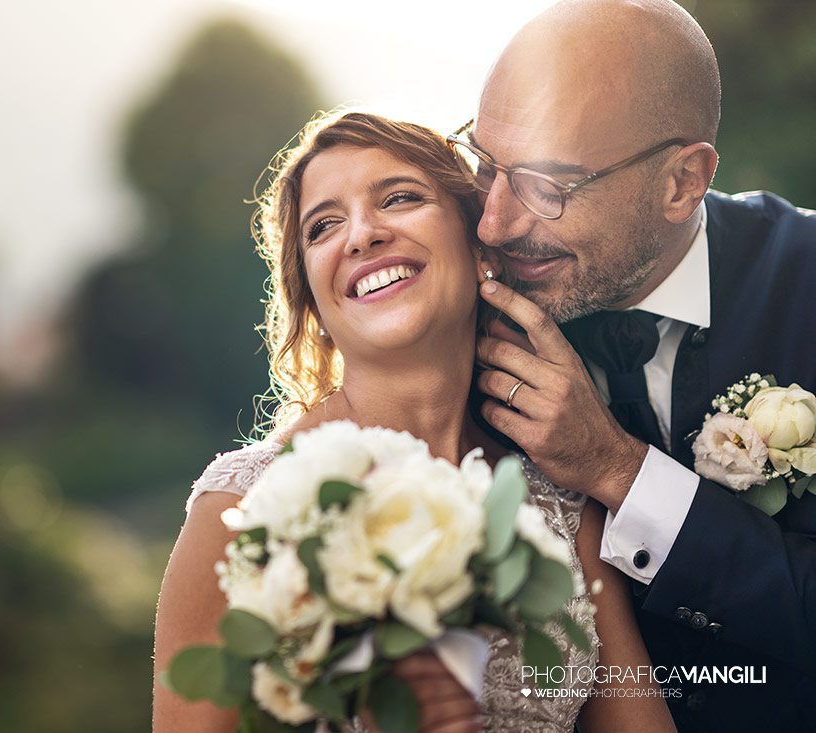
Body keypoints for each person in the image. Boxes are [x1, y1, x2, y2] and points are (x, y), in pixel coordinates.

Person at [152, 112, 676, 732]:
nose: (362, 235)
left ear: (481, 245)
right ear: (314, 300)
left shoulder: (564, 507)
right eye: (323, 227)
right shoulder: (241, 511)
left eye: (399, 198)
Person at [456, 0, 816, 730]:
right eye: (485, 164)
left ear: (683, 181)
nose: (494, 222)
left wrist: (619, 469)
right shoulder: (462, 317)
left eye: (549, 182)